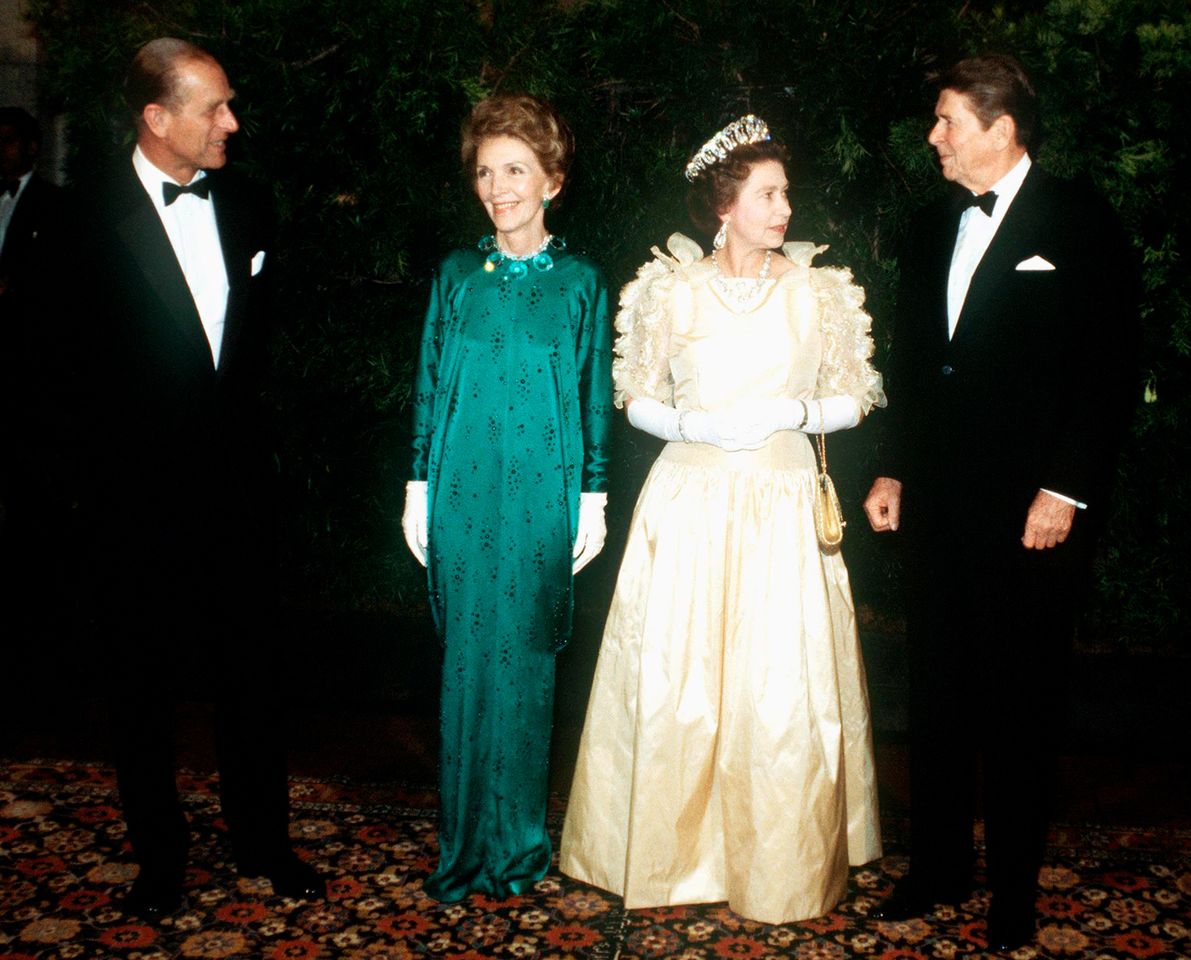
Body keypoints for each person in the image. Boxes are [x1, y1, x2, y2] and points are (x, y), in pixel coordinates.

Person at [559, 115, 885, 925]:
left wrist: (795, 408)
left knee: (777, 690)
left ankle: (778, 860)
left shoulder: (819, 291)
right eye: (769, 194)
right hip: (691, 504)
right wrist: (689, 426)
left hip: (779, 505)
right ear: (725, 203)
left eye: (785, 194)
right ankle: (671, 858)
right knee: (678, 681)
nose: (783, 208)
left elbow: (857, 397)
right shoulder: (669, 287)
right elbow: (633, 397)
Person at [862, 55, 1138, 950]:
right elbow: (913, 361)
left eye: (947, 122)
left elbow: (1108, 374)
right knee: (936, 694)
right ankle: (936, 868)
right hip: (936, 506)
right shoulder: (925, 221)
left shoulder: (1079, 219)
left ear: (1000, 129)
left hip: (1031, 515)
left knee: (1020, 702)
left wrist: (1063, 489)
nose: (933, 137)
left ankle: (1012, 891)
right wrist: (892, 467)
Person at [63, 38, 324, 916]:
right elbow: (46, 377)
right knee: (141, 690)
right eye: (213, 108)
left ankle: (264, 845)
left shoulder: (249, 202)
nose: (231, 123)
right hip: (132, 508)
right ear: (156, 118)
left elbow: (256, 355)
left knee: (254, 679)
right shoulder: (75, 217)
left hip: (240, 495)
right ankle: (160, 862)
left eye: (230, 103)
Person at [401, 93, 612, 902]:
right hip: (459, 492)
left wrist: (593, 495)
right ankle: (461, 847)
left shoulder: (583, 283)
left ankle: (518, 846)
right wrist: (416, 482)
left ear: (552, 178)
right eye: (486, 172)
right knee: (463, 666)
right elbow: (427, 383)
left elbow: (594, 392)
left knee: (526, 668)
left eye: (516, 170)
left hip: (541, 500)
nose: (499, 187)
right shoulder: (455, 276)